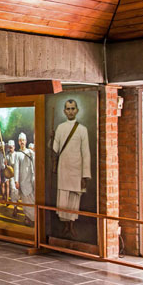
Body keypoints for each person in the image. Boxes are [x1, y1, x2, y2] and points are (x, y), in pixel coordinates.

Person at [52, 99, 91, 237]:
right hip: (64, 168)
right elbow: (54, 148)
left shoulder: (82, 129)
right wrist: (51, 139)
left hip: (77, 170)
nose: (70, 111)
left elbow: (86, 153)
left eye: (73, 108)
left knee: (74, 200)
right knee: (63, 199)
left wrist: (84, 175)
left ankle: (72, 226)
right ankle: (65, 226)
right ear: (64, 111)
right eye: (68, 109)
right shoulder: (60, 127)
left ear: (77, 110)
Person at [14, 133, 35, 227]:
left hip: (31, 180)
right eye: (20, 140)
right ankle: (28, 218)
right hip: (22, 181)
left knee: (32, 200)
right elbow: (16, 168)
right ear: (18, 142)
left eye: (23, 140)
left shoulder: (31, 153)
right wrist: (16, 181)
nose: (22, 142)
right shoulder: (17, 154)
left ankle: (33, 219)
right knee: (25, 202)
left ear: (26, 141)